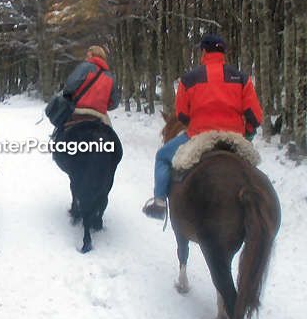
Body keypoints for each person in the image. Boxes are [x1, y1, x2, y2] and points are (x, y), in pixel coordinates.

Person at [142, 34, 263, 220]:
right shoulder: (241, 78)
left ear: (204, 52)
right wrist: (245, 133)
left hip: (200, 136)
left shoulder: (189, 79)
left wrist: (199, 121)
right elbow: (255, 117)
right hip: (234, 138)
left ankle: (159, 202)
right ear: (224, 52)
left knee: (162, 157)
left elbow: (182, 115)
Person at [62, 45, 120, 123]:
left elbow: (69, 87)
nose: (86, 57)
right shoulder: (111, 77)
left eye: (88, 54)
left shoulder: (84, 67)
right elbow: (114, 103)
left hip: (78, 111)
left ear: (91, 55)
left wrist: (69, 97)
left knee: (61, 127)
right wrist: (101, 106)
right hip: (99, 116)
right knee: (110, 132)